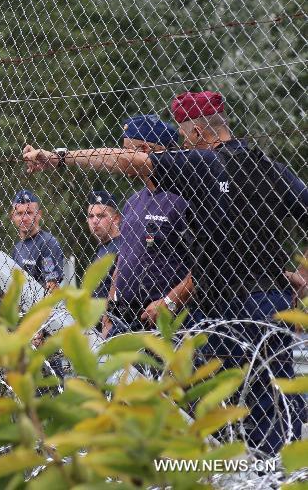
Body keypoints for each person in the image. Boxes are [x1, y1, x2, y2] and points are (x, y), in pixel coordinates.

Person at [22, 91, 307, 455]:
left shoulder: (202, 164)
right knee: (271, 405)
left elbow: (128, 162)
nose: (181, 143)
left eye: (184, 136)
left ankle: (244, 473)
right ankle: (273, 473)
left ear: (200, 133)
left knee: (225, 410)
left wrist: (60, 157)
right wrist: (300, 274)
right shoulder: (268, 167)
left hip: (222, 305)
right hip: (270, 300)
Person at [100, 116, 194, 337]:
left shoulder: (181, 199)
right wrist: (109, 307)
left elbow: (203, 265)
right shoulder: (133, 202)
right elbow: (123, 256)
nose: (120, 158)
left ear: (142, 150)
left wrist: (170, 302)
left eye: (125, 151)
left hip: (163, 319)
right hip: (123, 317)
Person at [10, 190, 64, 293]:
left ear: (39, 214)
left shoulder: (47, 244)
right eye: (19, 213)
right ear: (13, 217)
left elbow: (52, 286)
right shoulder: (17, 248)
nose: (24, 218)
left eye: (29, 213)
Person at [85, 190, 122, 301]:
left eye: (100, 216)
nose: (94, 221)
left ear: (115, 219)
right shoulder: (101, 248)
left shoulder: (123, 245)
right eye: (91, 216)